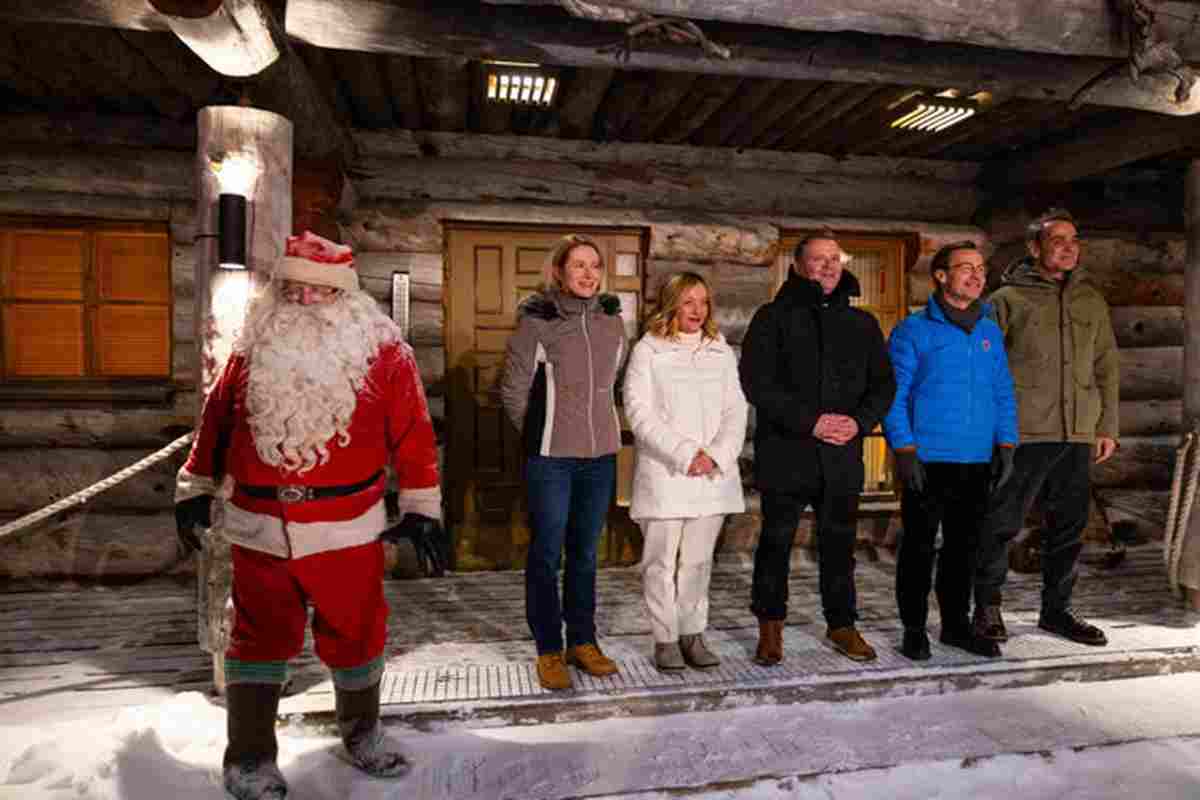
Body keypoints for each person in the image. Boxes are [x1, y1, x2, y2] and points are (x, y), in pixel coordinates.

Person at [174, 232, 444, 800]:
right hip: (259, 529)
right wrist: (194, 485)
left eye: (319, 290)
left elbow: (415, 435)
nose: (303, 299)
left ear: (345, 296)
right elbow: (216, 421)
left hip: (349, 528)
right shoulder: (251, 351)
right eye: (292, 288)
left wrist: (422, 508)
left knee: (358, 633)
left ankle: (363, 734)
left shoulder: (386, 354)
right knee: (257, 639)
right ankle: (249, 758)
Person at [739, 230, 896, 664]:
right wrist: (812, 422)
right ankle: (770, 626)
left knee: (839, 544)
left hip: (841, 455)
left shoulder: (862, 324)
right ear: (797, 266)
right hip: (787, 453)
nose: (828, 266)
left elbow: (883, 385)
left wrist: (859, 422)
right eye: (818, 259)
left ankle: (842, 624)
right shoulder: (772, 318)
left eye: (834, 259)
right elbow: (756, 382)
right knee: (776, 542)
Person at [973, 208, 1119, 647]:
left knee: (1069, 526)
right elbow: (983, 369)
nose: (1068, 248)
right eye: (1058, 240)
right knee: (1002, 522)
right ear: (1034, 248)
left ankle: (1057, 611)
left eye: (1074, 240)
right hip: (1023, 431)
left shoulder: (1091, 300)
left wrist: (1106, 426)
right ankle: (987, 607)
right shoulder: (1005, 300)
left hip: (1078, 432)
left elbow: (1106, 365)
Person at [500, 234, 626, 691]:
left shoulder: (613, 323)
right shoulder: (538, 322)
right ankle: (549, 649)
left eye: (595, 266)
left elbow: (614, 382)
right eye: (579, 266)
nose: (588, 274)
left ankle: (583, 641)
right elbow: (514, 389)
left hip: (600, 458)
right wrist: (539, 436)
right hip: (552, 459)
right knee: (547, 552)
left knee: (586, 553)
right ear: (559, 272)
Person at [884, 241, 1018, 661]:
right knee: (919, 547)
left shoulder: (989, 331)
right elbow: (894, 395)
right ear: (941, 276)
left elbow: (1002, 391)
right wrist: (904, 449)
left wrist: (1006, 443)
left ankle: (956, 627)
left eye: (980, 269)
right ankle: (913, 629)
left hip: (977, 458)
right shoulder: (914, 330)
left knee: (964, 549)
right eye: (966, 268)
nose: (977, 276)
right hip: (928, 458)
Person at [624, 272, 748, 672]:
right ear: (671, 304)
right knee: (659, 562)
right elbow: (639, 413)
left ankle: (692, 633)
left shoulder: (719, 351)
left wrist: (716, 455)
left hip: (711, 475)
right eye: (689, 301)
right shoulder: (649, 350)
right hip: (666, 475)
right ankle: (665, 638)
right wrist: (685, 454)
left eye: (704, 302)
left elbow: (735, 410)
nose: (698, 310)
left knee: (698, 561)